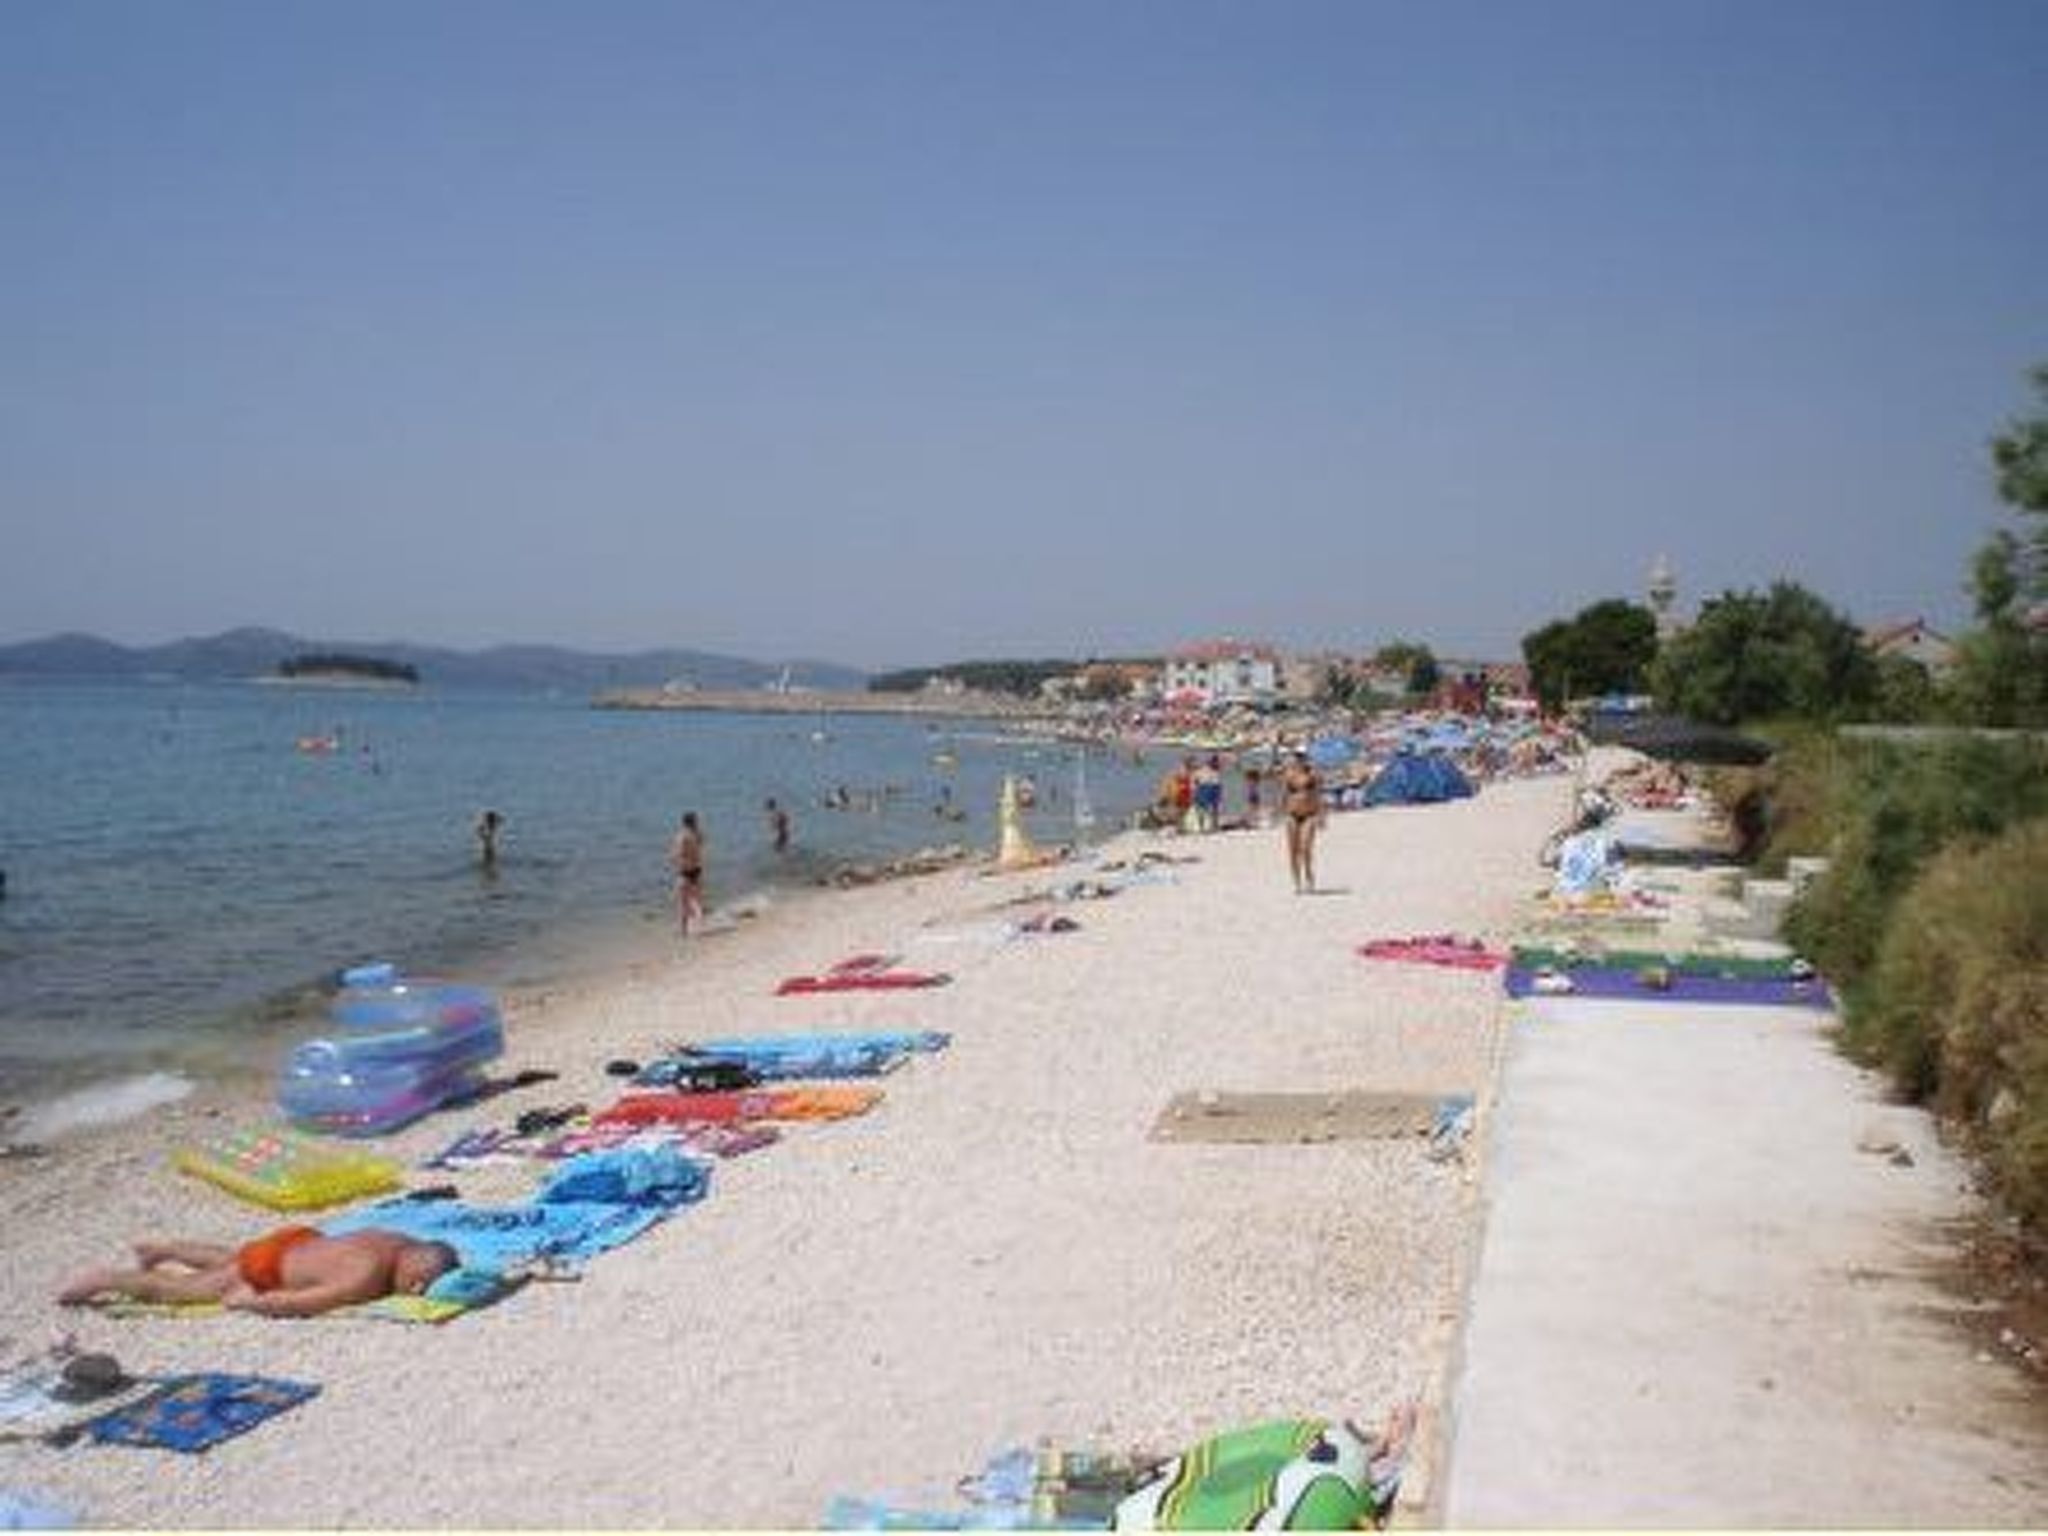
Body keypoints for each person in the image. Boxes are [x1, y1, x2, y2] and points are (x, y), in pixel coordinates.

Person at [58, 1228, 458, 1318]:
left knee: (233, 1260)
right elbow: (304, 1302)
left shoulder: (396, 1240)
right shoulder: (364, 1276)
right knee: (185, 1291)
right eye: (418, 1285)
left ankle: (163, 1249)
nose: (415, 1291)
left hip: (297, 1242)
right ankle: (103, 1279)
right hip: (267, 1269)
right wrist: (252, 1302)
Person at [1281, 750, 1325, 893]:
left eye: (1296, 760)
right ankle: (1297, 881)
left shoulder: (1312, 776)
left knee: (1306, 848)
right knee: (1293, 850)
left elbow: (1318, 795)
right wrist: (1281, 813)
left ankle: (1309, 877)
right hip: (1292, 815)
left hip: (1309, 815)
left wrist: (1321, 815)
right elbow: (1284, 795)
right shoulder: (1288, 775)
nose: (1293, 762)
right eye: (1292, 760)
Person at [671, 812, 705, 934]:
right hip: (697, 870)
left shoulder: (681, 837)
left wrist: (674, 859)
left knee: (683, 903)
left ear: (683, 823)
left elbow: (677, 855)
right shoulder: (698, 835)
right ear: (694, 822)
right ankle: (699, 925)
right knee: (696, 900)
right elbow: (700, 848)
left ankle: (683, 931)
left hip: (685, 871)